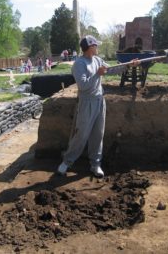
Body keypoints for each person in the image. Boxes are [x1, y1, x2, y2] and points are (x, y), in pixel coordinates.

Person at [57, 35, 140, 178]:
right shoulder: (80, 64)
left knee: (98, 134)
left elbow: (112, 69)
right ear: (90, 47)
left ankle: (95, 164)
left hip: (100, 101)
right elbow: (83, 86)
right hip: (87, 102)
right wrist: (97, 74)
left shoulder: (97, 60)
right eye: (96, 45)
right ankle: (67, 162)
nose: (98, 47)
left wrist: (128, 65)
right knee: (82, 134)